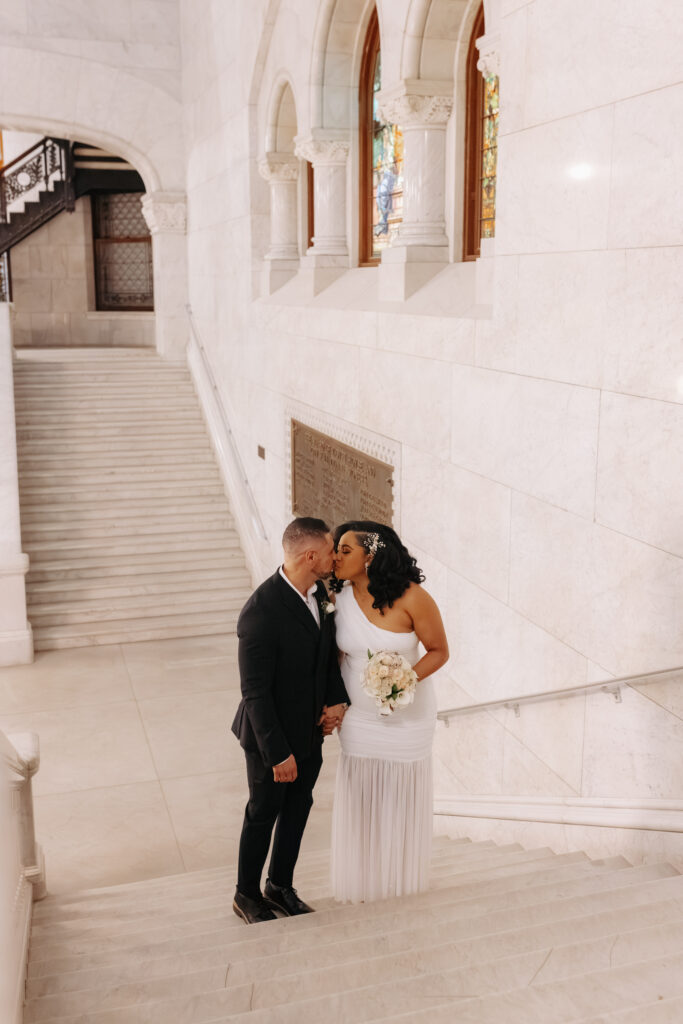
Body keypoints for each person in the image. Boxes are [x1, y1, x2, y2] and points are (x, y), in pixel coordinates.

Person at [231, 517, 349, 924]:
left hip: (310, 733)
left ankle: (279, 885)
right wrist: (278, 753)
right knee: (263, 812)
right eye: (332, 550)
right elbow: (255, 694)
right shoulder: (260, 613)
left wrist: (336, 701)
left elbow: (326, 656)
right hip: (272, 739)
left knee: (298, 809)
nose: (336, 557)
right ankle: (246, 895)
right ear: (310, 555)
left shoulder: (320, 594)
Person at [329, 521, 449, 903]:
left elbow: (438, 651)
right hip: (359, 722)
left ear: (371, 556)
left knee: (399, 802)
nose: (336, 556)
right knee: (361, 804)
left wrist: (403, 680)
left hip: (408, 720)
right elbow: (334, 658)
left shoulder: (414, 598)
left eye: (345, 550)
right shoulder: (337, 597)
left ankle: (399, 886)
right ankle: (363, 885)